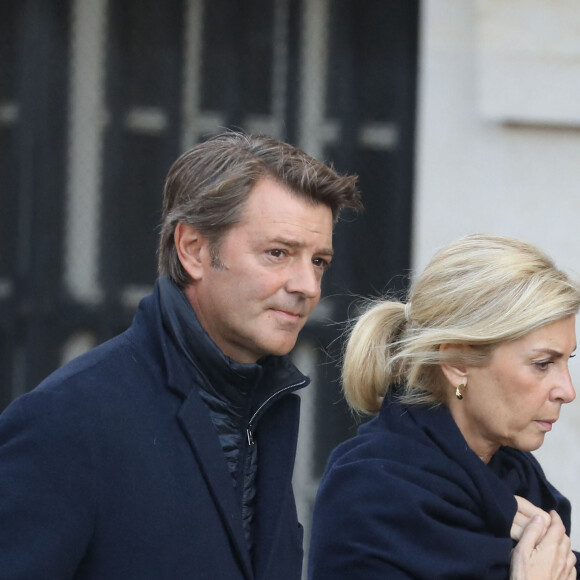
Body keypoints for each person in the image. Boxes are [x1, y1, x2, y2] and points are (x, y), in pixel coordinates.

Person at [0, 131, 361, 579]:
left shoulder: (264, 409)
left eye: (318, 261)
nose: (307, 285)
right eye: (278, 253)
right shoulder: (67, 420)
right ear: (192, 249)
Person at [308, 234, 579, 580]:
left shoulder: (520, 486)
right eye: (543, 363)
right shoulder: (371, 494)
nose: (567, 391)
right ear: (456, 362)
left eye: (567, 360)